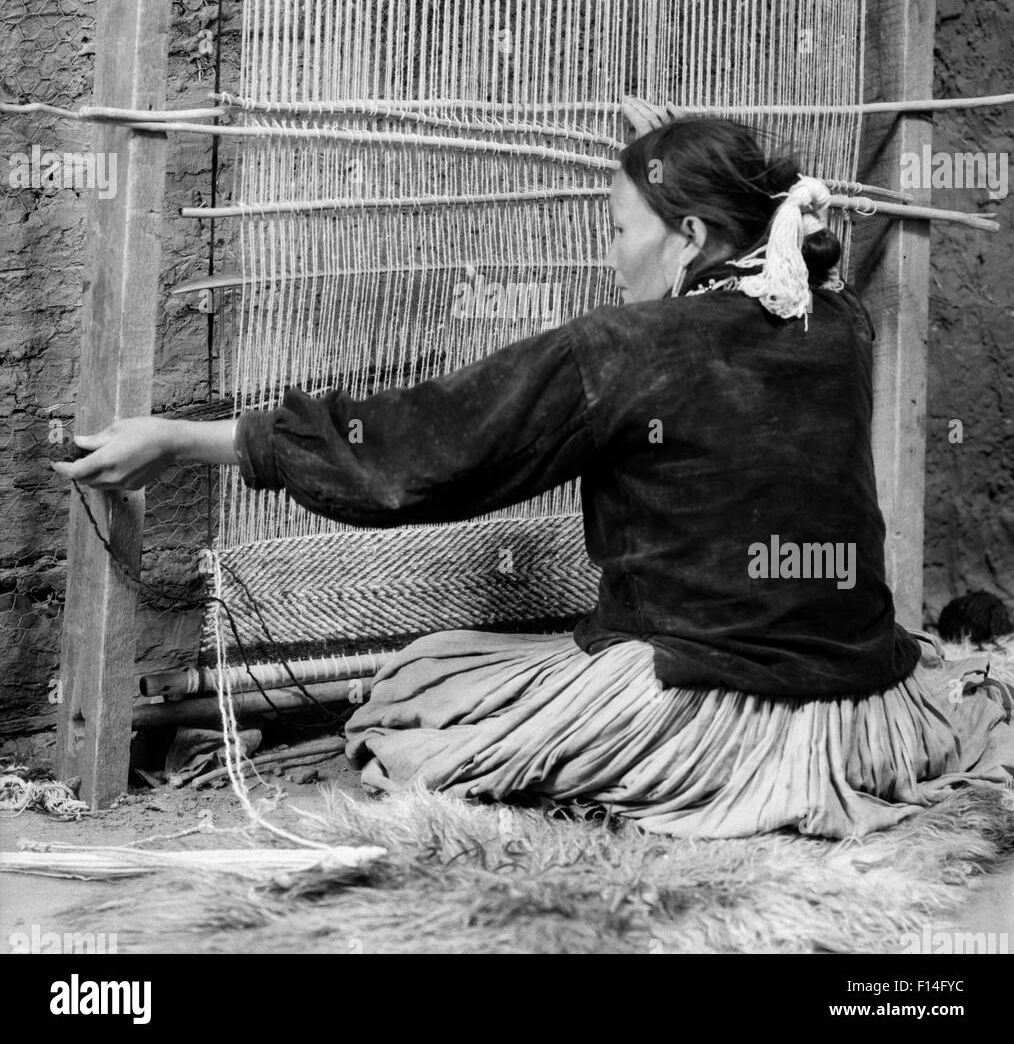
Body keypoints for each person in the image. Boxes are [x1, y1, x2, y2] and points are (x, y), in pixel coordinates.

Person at [56, 109, 1014, 838]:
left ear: (686, 237)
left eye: (617, 229)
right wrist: (667, 153)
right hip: (862, 704)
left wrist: (190, 439)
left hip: (701, 706)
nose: (610, 256)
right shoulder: (839, 324)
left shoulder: (626, 347)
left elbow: (421, 453)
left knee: (412, 695)